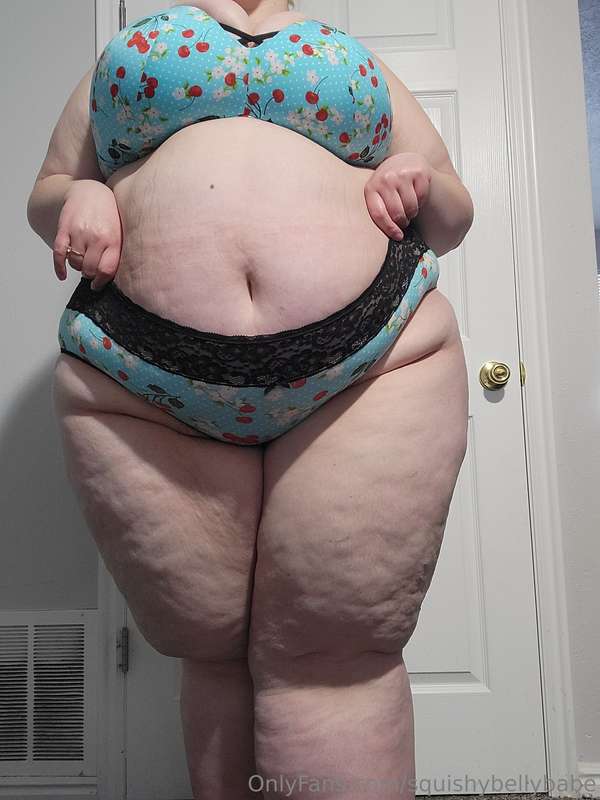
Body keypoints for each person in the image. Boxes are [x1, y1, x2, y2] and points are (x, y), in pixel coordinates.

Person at [26, 0, 474, 797]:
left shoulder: (348, 55)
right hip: (140, 380)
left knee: (337, 651)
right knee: (211, 642)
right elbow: (50, 189)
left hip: (372, 365)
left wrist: (418, 180)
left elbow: (452, 212)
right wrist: (77, 198)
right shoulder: (132, 46)